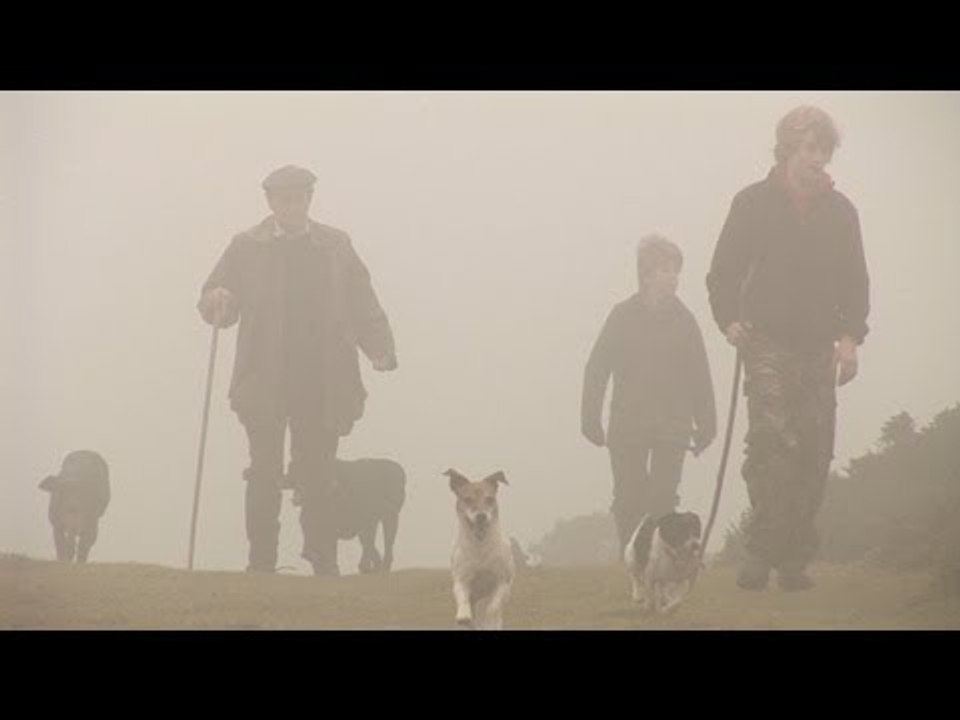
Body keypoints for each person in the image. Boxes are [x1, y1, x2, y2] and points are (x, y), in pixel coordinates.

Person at [197, 164, 397, 576]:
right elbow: (216, 300)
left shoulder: (337, 246)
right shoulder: (245, 246)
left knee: (318, 475)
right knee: (264, 473)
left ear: (309, 199)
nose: (291, 205)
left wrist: (380, 347)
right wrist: (217, 300)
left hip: (324, 380)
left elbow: (362, 301)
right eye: (283, 198)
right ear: (270, 202)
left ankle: (323, 562)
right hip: (263, 379)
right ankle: (261, 564)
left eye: (299, 198)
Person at [706, 105, 869, 591]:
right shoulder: (752, 203)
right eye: (808, 148)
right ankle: (761, 552)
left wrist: (850, 339)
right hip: (765, 343)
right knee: (772, 444)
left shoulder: (842, 213)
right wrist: (729, 321)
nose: (816, 158)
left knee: (814, 451)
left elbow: (855, 282)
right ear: (787, 149)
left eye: (823, 149)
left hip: (820, 347)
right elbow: (723, 273)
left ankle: (795, 558)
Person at [582, 234, 716, 552]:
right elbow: (597, 368)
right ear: (646, 274)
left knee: (663, 497)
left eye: (676, 270)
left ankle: (662, 557)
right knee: (629, 496)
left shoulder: (685, 321)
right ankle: (634, 557)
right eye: (666, 270)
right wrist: (590, 419)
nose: (674, 277)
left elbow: (700, 376)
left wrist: (707, 424)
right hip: (628, 423)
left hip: (673, 425)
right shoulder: (621, 316)